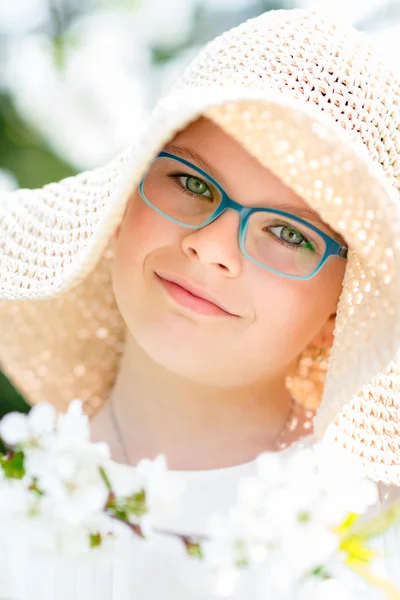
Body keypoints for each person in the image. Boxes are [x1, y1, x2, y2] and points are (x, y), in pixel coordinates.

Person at [1, 7, 400, 599]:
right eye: (192, 182)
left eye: (290, 234)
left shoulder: (366, 545)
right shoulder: (21, 484)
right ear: (120, 206)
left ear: (339, 313)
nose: (212, 247)